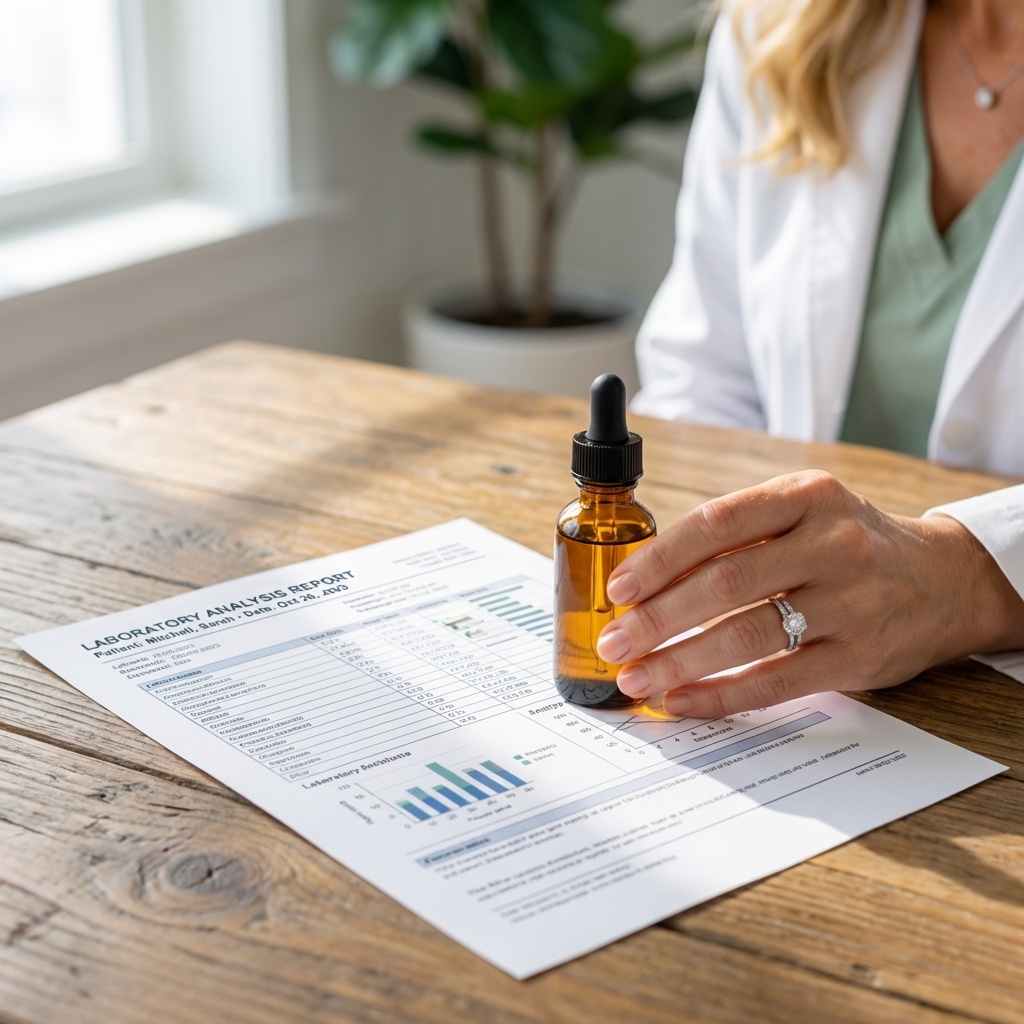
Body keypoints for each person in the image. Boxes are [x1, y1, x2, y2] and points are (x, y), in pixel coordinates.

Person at [595, 0, 1024, 716]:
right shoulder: (778, 25)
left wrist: (971, 578)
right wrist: (738, 570)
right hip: (810, 707)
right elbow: (703, 374)